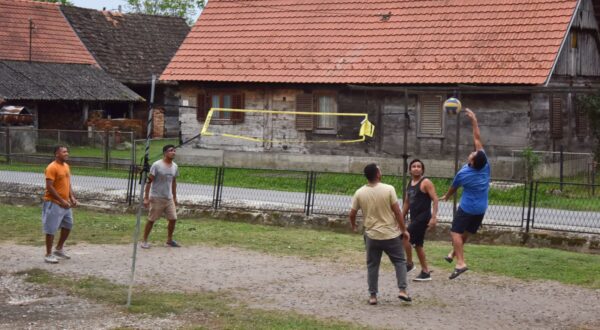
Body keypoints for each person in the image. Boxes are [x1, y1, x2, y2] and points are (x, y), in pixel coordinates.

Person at [349, 163, 412, 305]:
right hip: (390, 234)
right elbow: (397, 212)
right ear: (377, 174)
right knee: (399, 262)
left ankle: (373, 296)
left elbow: (352, 213)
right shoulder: (389, 189)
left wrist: (353, 226)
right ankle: (402, 290)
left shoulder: (359, 192)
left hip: (371, 235)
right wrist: (404, 230)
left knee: (372, 265)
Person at [441, 108, 491, 279]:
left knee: (455, 232)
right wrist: (474, 120)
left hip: (468, 208)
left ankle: (461, 263)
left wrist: (447, 196)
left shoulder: (463, 174)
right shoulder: (485, 165)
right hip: (481, 209)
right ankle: (452, 254)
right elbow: (477, 138)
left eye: (473, 153)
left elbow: (453, 188)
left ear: (472, 161)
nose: (473, 151)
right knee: (465, 234)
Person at [402, 159, 438, 281]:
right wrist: (400, 218)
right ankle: (425, 272)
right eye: (413, 166)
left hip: (423, 217)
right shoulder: (410, 183)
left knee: (405, 236)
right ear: (410, 169)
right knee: (418, 245)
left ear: (422, 169)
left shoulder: (425, 182)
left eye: (419, 166)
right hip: (414, 218)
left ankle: (409, 263)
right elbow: (407, 202)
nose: (416, 168)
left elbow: (435, 199)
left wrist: (433, 217)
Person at [42, 145, 78, 264]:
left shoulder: (66, 166)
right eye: (64, 152)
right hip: (54, 203)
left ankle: (58, 249)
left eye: (67, 151)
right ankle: (48, 254)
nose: (67, 153)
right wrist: (61, 201)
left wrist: (71, 197)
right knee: (51, 229)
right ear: (56, 154)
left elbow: (68, 184)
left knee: (68, 225)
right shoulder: (52, 167)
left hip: (65, 203)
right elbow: (49, 187)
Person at [141, 144, 180, 248]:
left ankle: (169, 240)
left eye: (174, 151)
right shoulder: (156, 165)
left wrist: (175, 197)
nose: (174, 152)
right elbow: (149, 182)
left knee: (173, 219)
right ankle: (144, 241)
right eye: (171, 150)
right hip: (156, 197)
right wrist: (146, 197)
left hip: (169, 198)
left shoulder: (175, 166)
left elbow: (174, 182)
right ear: (165, 153)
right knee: (151, 219)